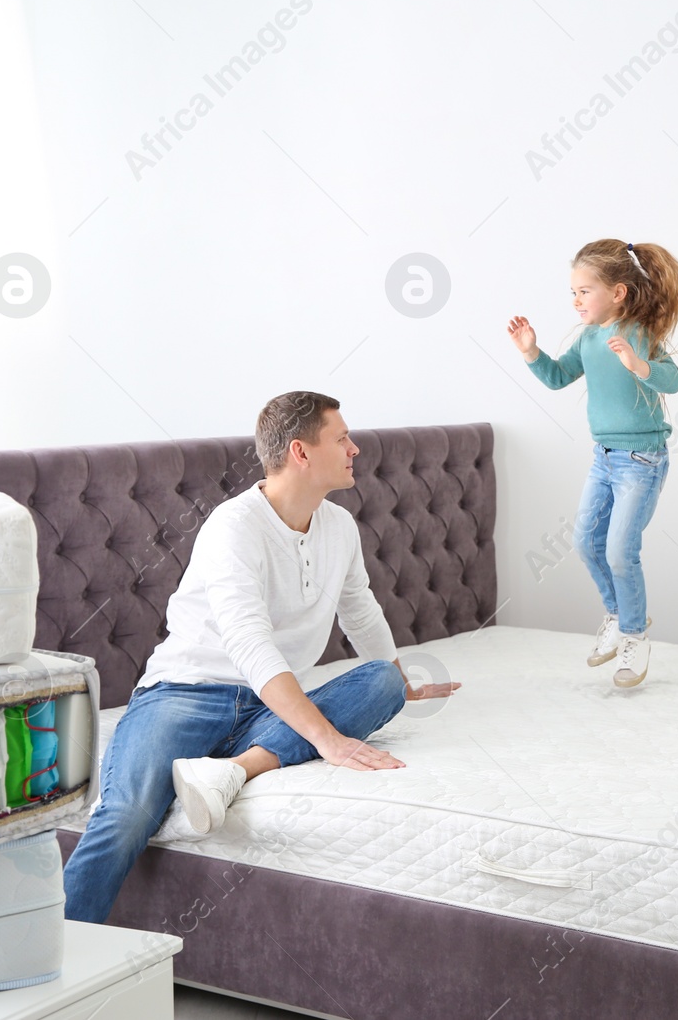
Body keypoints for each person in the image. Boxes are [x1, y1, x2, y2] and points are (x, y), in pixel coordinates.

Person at [62, 391, 459, 922]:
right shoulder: (235, 525)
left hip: (267, 704)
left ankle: (231, 770)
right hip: (186, 694)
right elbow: (249, 643)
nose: (355, 449)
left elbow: (359, 609)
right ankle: (50, 961)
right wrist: (328, 740)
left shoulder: (339, 527)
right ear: (301, 452)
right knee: (127, 814)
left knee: (381, 684)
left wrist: (399, 679)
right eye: (341, 438)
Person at [505, 239, 678, 688]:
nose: (576, 300)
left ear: (618, 293)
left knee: (620, 551)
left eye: (584, 291)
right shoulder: (587, 338)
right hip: (603, 459)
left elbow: (674, 379)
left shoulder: (640, 334)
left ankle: (634, 636)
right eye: (573, 292)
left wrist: (636, 363)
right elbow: (557, 377)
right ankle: (616, 614)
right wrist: (531, 350)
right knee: (586, 544)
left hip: (642, 461)